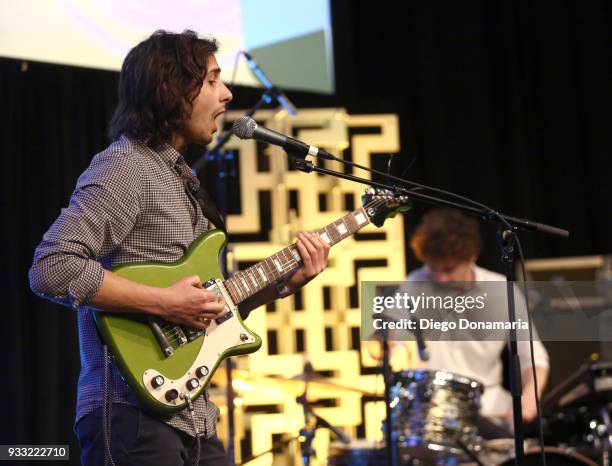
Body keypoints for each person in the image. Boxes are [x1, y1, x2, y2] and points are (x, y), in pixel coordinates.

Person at [29, 30, 329, 466]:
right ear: (170, 88)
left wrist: (282, 286)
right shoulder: (125, 166)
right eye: (211, 80)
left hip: (195, 416)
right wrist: (164, 303)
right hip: (131, 414)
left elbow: (206, 309)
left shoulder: (179, 178)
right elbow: (52, 267)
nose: (226, 93)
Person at [370, 208, 549, 428]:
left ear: (471, 257)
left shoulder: (501, 291)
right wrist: (381, 343)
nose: (440, 277)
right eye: (433, 268)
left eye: (448, 269)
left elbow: (533, 356)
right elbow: (387, 339)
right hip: (430, 411)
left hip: (487, 408)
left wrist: (530, 397)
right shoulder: (414, 284)